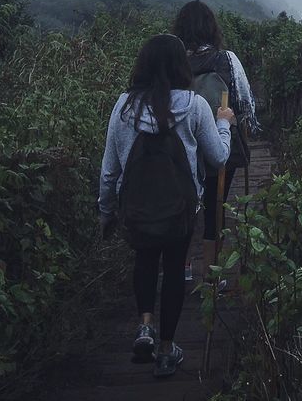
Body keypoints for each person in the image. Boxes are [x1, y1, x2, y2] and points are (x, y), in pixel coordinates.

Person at [99, 33, 234, 378]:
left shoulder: (124, 105)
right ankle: (166, 350)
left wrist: (106, 210)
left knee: (145, 261)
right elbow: (218, 158)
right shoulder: (194, 105)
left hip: (137, 208)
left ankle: (145, 325)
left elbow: (110, 167)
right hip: (181, 209)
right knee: (174, 272)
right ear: (180, 66)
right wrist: (224, 122)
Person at [171, 0, 262, 286]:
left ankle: (182, 268)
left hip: (182, 146)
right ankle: (212, 274)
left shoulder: (174, 62)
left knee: (183, 207)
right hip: (220, 141)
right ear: (212, 28)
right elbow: (246, 103)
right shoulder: (227, 60)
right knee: (215, 205)